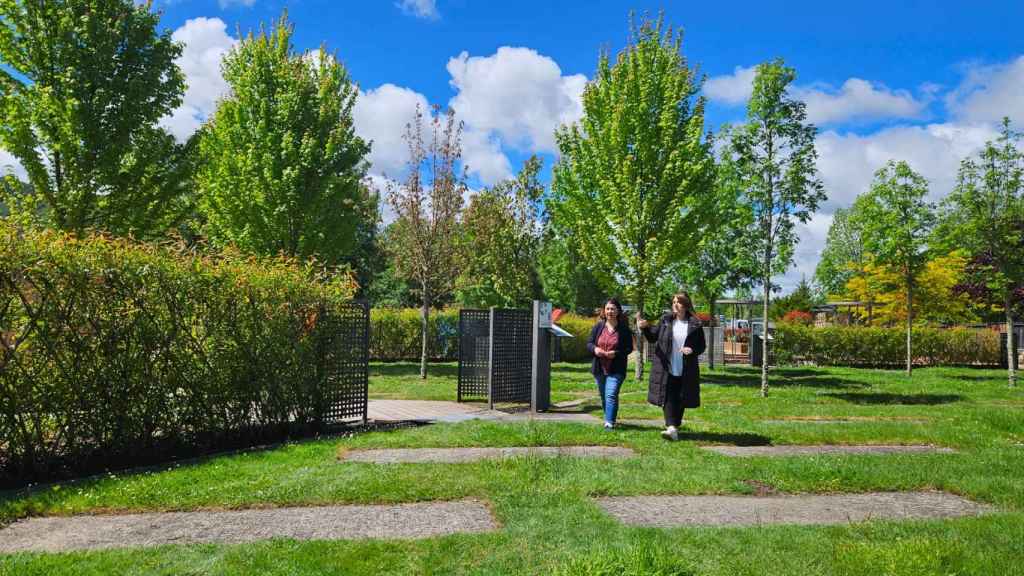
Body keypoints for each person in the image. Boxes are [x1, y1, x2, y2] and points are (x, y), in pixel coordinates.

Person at [636, 291, 706, 441]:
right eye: (674, 302)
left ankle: (675, 425)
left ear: (686, 305)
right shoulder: (666, 320)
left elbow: (702, 346)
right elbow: (653, 338)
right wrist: (645, 328)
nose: (675, 304)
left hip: (686, 367)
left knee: (681, 396)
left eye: (678, 302)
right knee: (667, 395)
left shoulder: (695, 323)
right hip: (667, 365)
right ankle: (671, 427)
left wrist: (691, 350)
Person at [586, 298, 634, 430]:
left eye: (612, 309)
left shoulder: (624, 330)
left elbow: (629, 348)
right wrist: (596, 349)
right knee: (604, 396)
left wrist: (616, 353)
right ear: (604, 311)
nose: (610, 311)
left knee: (611, 394)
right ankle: (609, 417)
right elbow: (589, 343)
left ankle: (609, 422)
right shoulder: (598, 327)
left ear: (618, 311)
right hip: (599, 368)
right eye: (607, 309)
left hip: (616, 369)